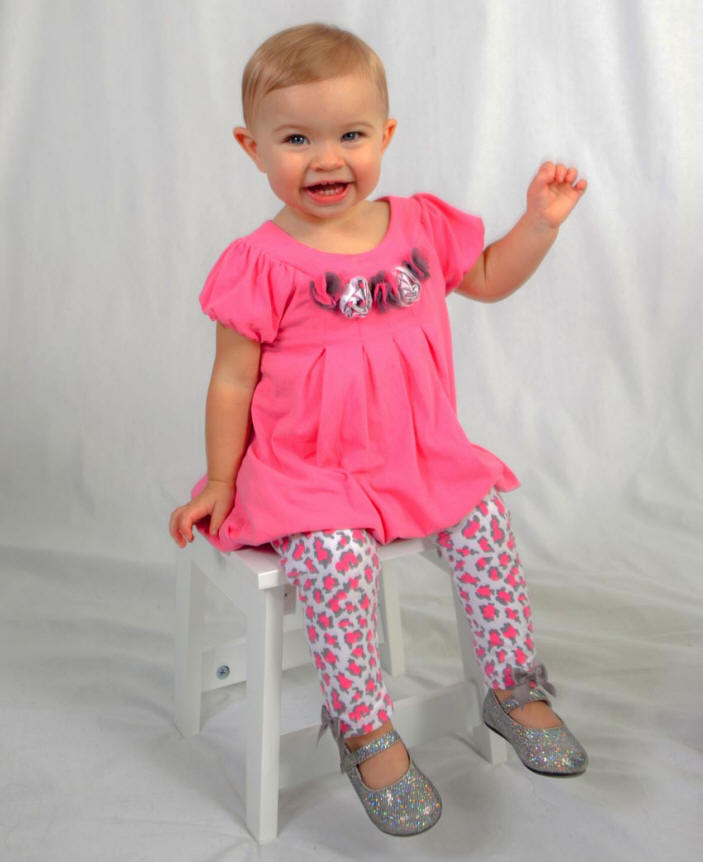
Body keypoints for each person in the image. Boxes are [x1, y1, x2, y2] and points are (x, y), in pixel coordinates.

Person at [168, 22, 589, 837]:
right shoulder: (260, 261)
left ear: (385, 136)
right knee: (333, 559)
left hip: (415, 454)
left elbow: (488, 275)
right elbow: (232, 380)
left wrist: (537, 223)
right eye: (296, 139)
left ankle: (511, 686)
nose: (326, 159)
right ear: (252, 147)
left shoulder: (419, 226)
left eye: (350, 135)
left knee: (484, 520)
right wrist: (220, 479)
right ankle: (363, 728)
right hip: (308, 468)